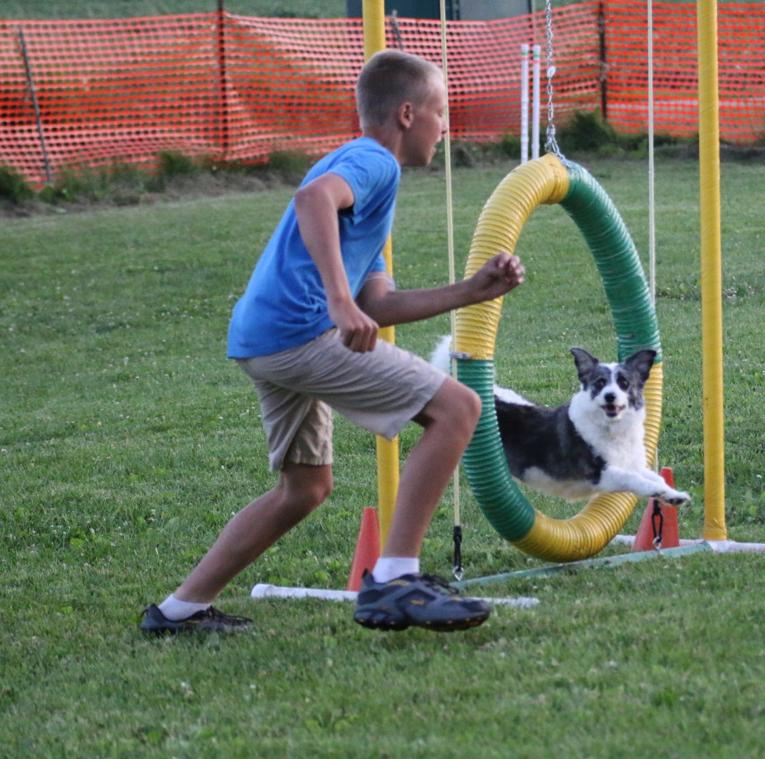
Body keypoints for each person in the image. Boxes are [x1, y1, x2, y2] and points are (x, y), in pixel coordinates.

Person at [140, 50, 523, 635]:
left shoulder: (368, 179)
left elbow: (378, 304)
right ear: (405, 114)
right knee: (459, 407)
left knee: (306, 489)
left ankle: (178, 611)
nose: (446, 127)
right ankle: (396, 580)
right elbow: (312, 199)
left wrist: (470, 292)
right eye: (440, 112)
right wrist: (338, 301)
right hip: (300, 331)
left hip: (263, 339)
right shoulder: (373, 162)